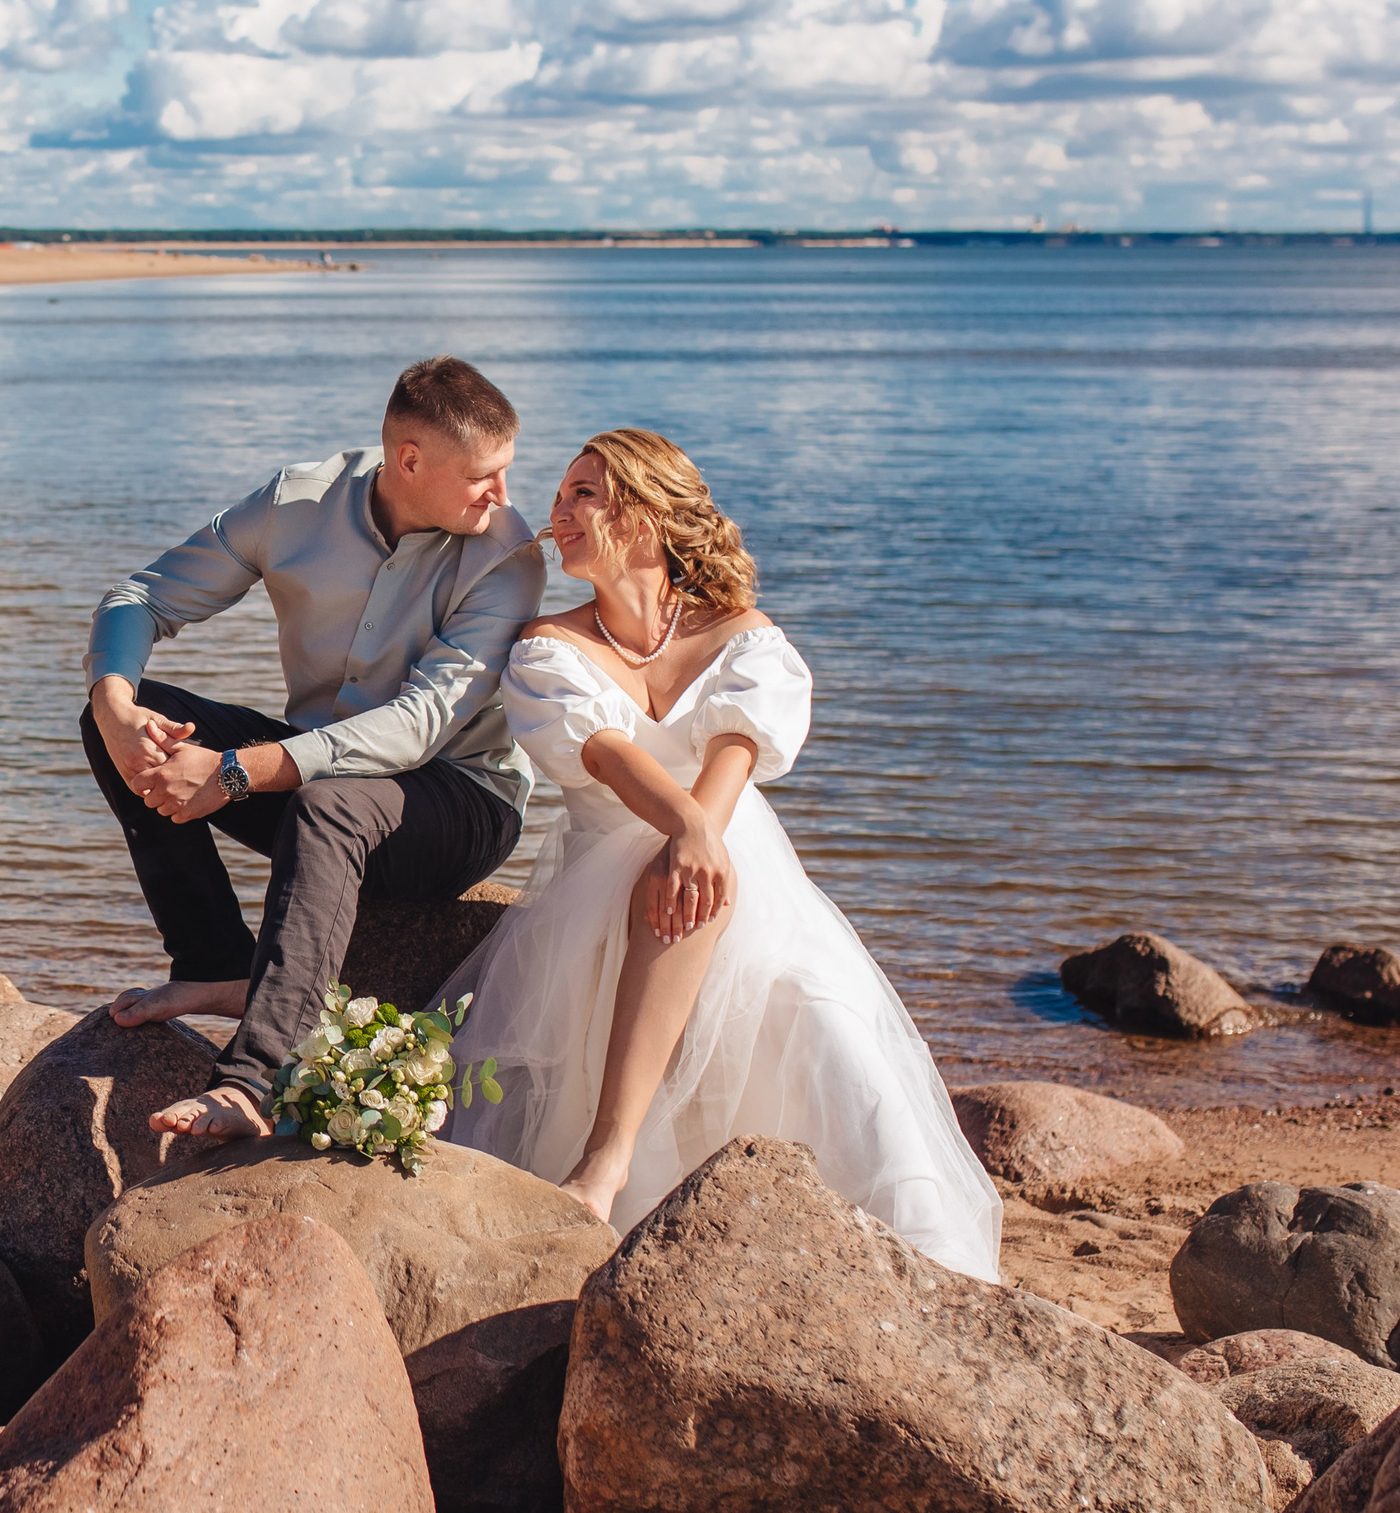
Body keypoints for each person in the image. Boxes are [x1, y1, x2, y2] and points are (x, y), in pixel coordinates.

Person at [445, 428, 1002, 1278]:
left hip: (737, 868)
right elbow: (605, 755)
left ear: (647, 515)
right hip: (606, 892)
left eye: (583, 493)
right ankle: (610, 1156)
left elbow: (735, 755)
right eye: (559, 494)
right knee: (682, 866)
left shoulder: (743, 637)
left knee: (813, 1010)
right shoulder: (548, 644)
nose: (558, 511)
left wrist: (699, 833)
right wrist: (687, 831)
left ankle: (922, 1258)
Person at [82, 358, 547, 1139]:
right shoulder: (296, 502)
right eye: (484, 476)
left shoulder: (506, 552)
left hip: (462, 797)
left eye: (506, 471)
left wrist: (232, 772)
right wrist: (114, 702)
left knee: (328, 803)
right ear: (409, 459)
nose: (503, 494)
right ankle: (216, 963)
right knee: (134, 719)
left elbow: (420, 723)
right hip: (318, 769)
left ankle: (254, 1080)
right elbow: (142, 595)